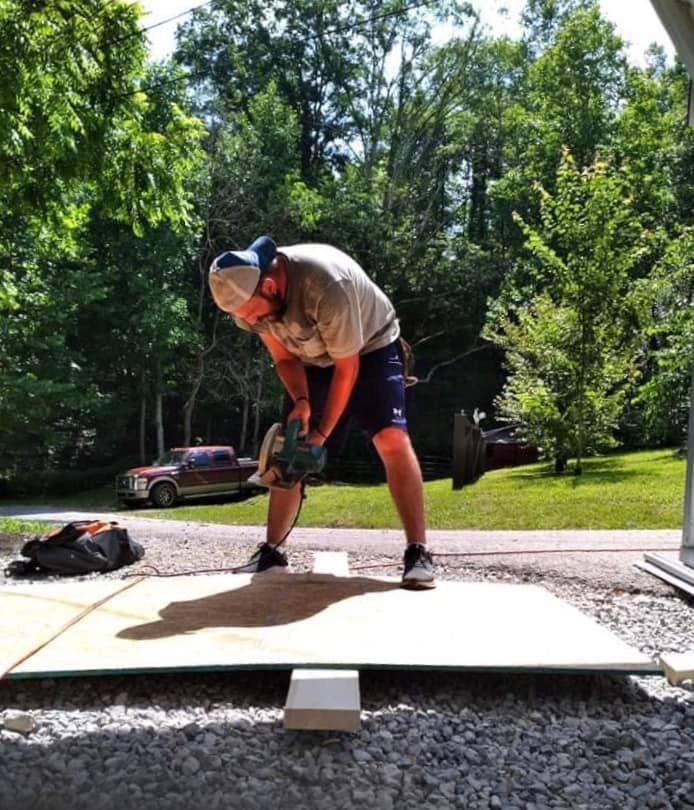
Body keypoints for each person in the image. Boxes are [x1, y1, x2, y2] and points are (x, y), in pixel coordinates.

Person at [208, 235, 435, 590]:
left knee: (391, 437)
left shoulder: (327, 283)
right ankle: (273, 551)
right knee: (290, 445)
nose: (252, 322)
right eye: (245, 319)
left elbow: (347, 371)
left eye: (253, 314)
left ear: (269, 285)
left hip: (370, 347)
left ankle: (418, 552)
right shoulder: (248, 302)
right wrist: (301, 403)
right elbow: (283, 358)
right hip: (310, 356)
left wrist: (321, 435)